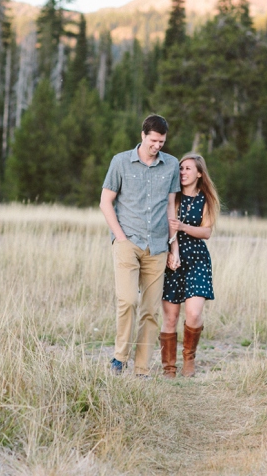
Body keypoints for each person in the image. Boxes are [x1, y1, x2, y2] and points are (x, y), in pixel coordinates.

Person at [99, 115, 181, 377]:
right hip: (128, 242)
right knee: (127, 301)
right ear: (143, 135)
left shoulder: (171, 165)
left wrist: (173, 247)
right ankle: (119, 358)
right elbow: (105, 202)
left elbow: (170, 207)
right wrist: (120, 238)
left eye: (162, 142)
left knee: (150, 310)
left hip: (158, 246)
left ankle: (142, 368)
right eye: (154, 141)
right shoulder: (120, 161)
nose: (158, 146)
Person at [160, 153, 221, 378]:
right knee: (170, 317)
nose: (183, 172)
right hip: (171, 261)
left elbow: (206, 232)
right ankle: (168, 368)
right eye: (181, 168)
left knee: (194, 314)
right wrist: (170, 251)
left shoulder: (205, 199)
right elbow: (164, 227)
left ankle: (189, 358)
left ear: (199, 173)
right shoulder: (171, 197)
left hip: (197, 260)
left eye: (187, 169)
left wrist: (183, 226)